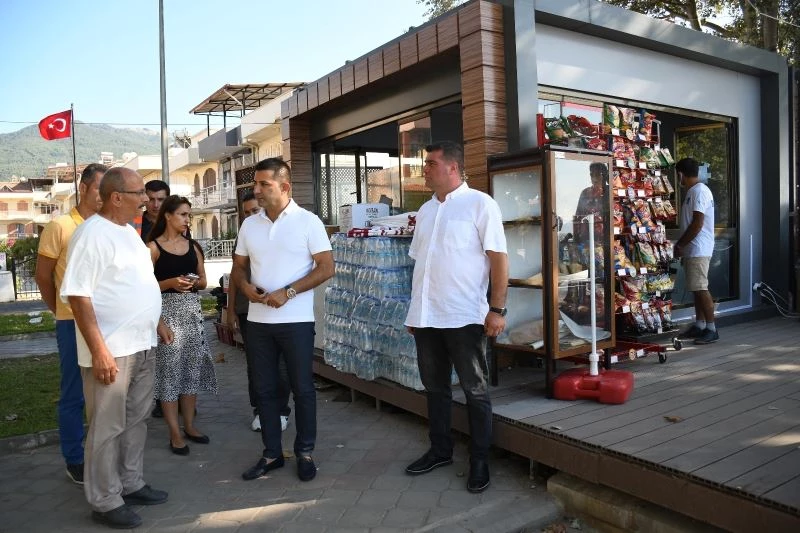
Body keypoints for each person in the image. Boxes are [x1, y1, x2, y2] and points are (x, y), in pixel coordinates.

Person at [61, 167, 172, 530]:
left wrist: (156, 321)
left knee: (136, 420)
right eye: (139, 192)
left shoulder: (129, 232)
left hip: (142, 344)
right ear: (116, 197)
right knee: (106, 427)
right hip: (112, 351)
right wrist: (100, 351)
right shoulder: (91, 234)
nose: (146, 199)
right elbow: (78, 296)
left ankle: (131, 482)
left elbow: (139, 284)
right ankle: (105, 500)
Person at [403, 141, 508, 494]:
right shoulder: (427, 211)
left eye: (430, 163)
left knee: (474, 390)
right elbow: (421, 266)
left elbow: (499, 260)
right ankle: (440, 450)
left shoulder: (480, 204)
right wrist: (414, 311)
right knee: (435, 389)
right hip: (427, 316)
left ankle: (479, 459)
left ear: (452, 167)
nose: (425, 169)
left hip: (464, 316)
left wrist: (497, 309)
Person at [232, 158, 334, 482]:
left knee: (302, 389)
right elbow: (238, 267)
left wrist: (288, 292)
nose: (256, 190)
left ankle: (305, 452)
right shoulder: (250, 225)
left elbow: (326, 268)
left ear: (284, 187)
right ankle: (272, 453)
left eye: (264, 184)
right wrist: (245, 287)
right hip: (259, 322)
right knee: (264, 390)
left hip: (296, 322)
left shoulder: (308, 222)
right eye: (255, 185)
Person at [35, 163, 106, 485]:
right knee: (74, 393)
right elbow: (43, 276)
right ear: (84, 188)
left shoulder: (108, 226)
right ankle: (74, 458)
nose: (104, 196)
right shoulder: (61, 226)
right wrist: (59, 311)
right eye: (98, 189)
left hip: (107, 321)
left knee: (106, 393)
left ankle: (103, 454)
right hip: (71, 321)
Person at [147, 195, 218, 455]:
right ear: (168, 215)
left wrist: (192, 282)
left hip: (192, 315)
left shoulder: (193, 246)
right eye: (183, 214)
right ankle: (174, 433)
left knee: (191, 372)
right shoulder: (152, 248)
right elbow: (140, 287)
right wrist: (169, 283)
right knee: (169, 375)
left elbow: (203, 280)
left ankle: (189, 426)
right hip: (165, 317)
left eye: (189, 215)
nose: (188, 220)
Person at [226, 192, 291, 433]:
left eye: (255, 210)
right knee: (256, 364)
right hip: (248, 310)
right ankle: (260, 411)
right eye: (246, 212)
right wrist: (230, 309)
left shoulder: (282, 232)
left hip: (281, 308)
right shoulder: (245, 234)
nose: (251, 215)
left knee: (282, 364)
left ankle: (282, 410)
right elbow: (235, 274)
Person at [674, 157, 718, 344]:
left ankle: (711, 328)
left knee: (701, 288)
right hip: (694, 249)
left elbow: (698, 223)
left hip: (699, 248)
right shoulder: (693, 191)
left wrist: (680, 244)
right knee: (696, 288)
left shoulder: (700, 191)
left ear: (680, 174)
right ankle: (700, 325)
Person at [140, 179, 170, 419]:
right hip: (141, 293)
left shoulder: (174, 221)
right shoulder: (133, 224)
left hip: (170, 293)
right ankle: (158, 398)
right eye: (151, 198)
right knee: (151, 350)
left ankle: (177, 398)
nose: (155, 204)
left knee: (173, 348)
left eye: (160, 199)